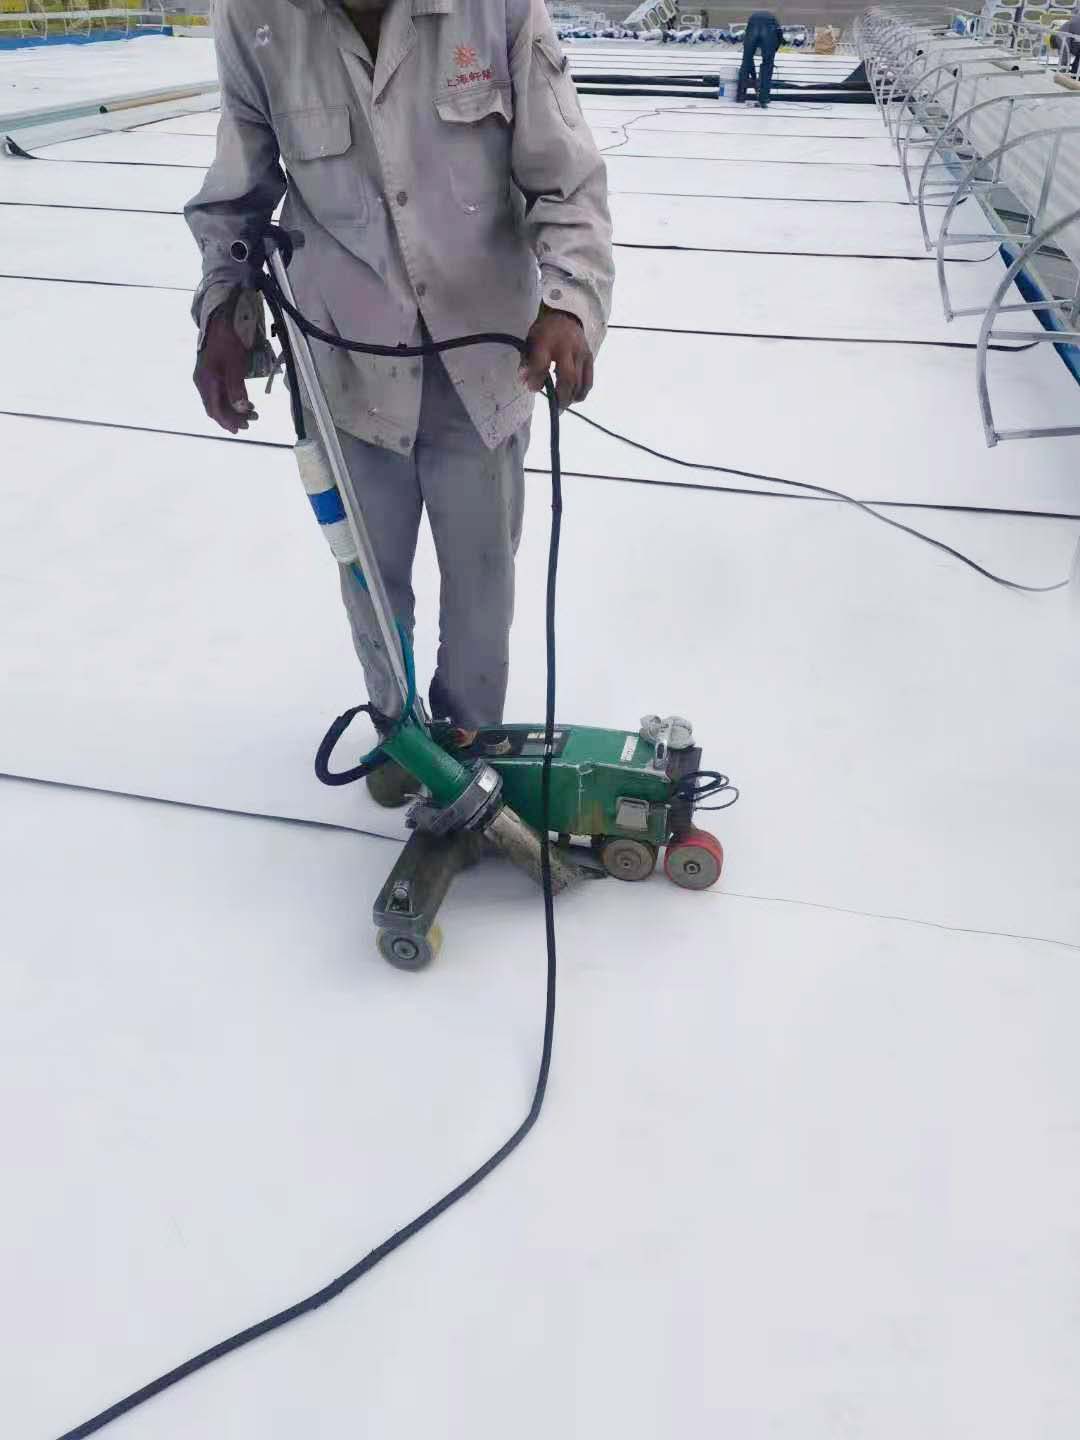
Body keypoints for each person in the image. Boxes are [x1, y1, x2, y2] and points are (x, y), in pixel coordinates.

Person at [185, 0, 614, 805]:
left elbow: (567, 179)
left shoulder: (499, 10)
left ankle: (470, 749)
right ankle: (401, 732)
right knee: (371, 580)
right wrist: (222, 308)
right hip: (346, 362)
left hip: (484, 359)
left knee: (481, 583)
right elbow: (237, 193)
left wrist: (569, 300)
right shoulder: (254, 17)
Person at [736, 10, 784, 107]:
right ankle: (764, 97)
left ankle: (741, 96)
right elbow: (779, 36)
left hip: (753, 23)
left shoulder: (752, 25)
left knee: (746, 62)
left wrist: (754, 78)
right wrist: (771, 54)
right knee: (767, 64)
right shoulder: (775, 26)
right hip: (769, 26)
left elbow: (748, 59)